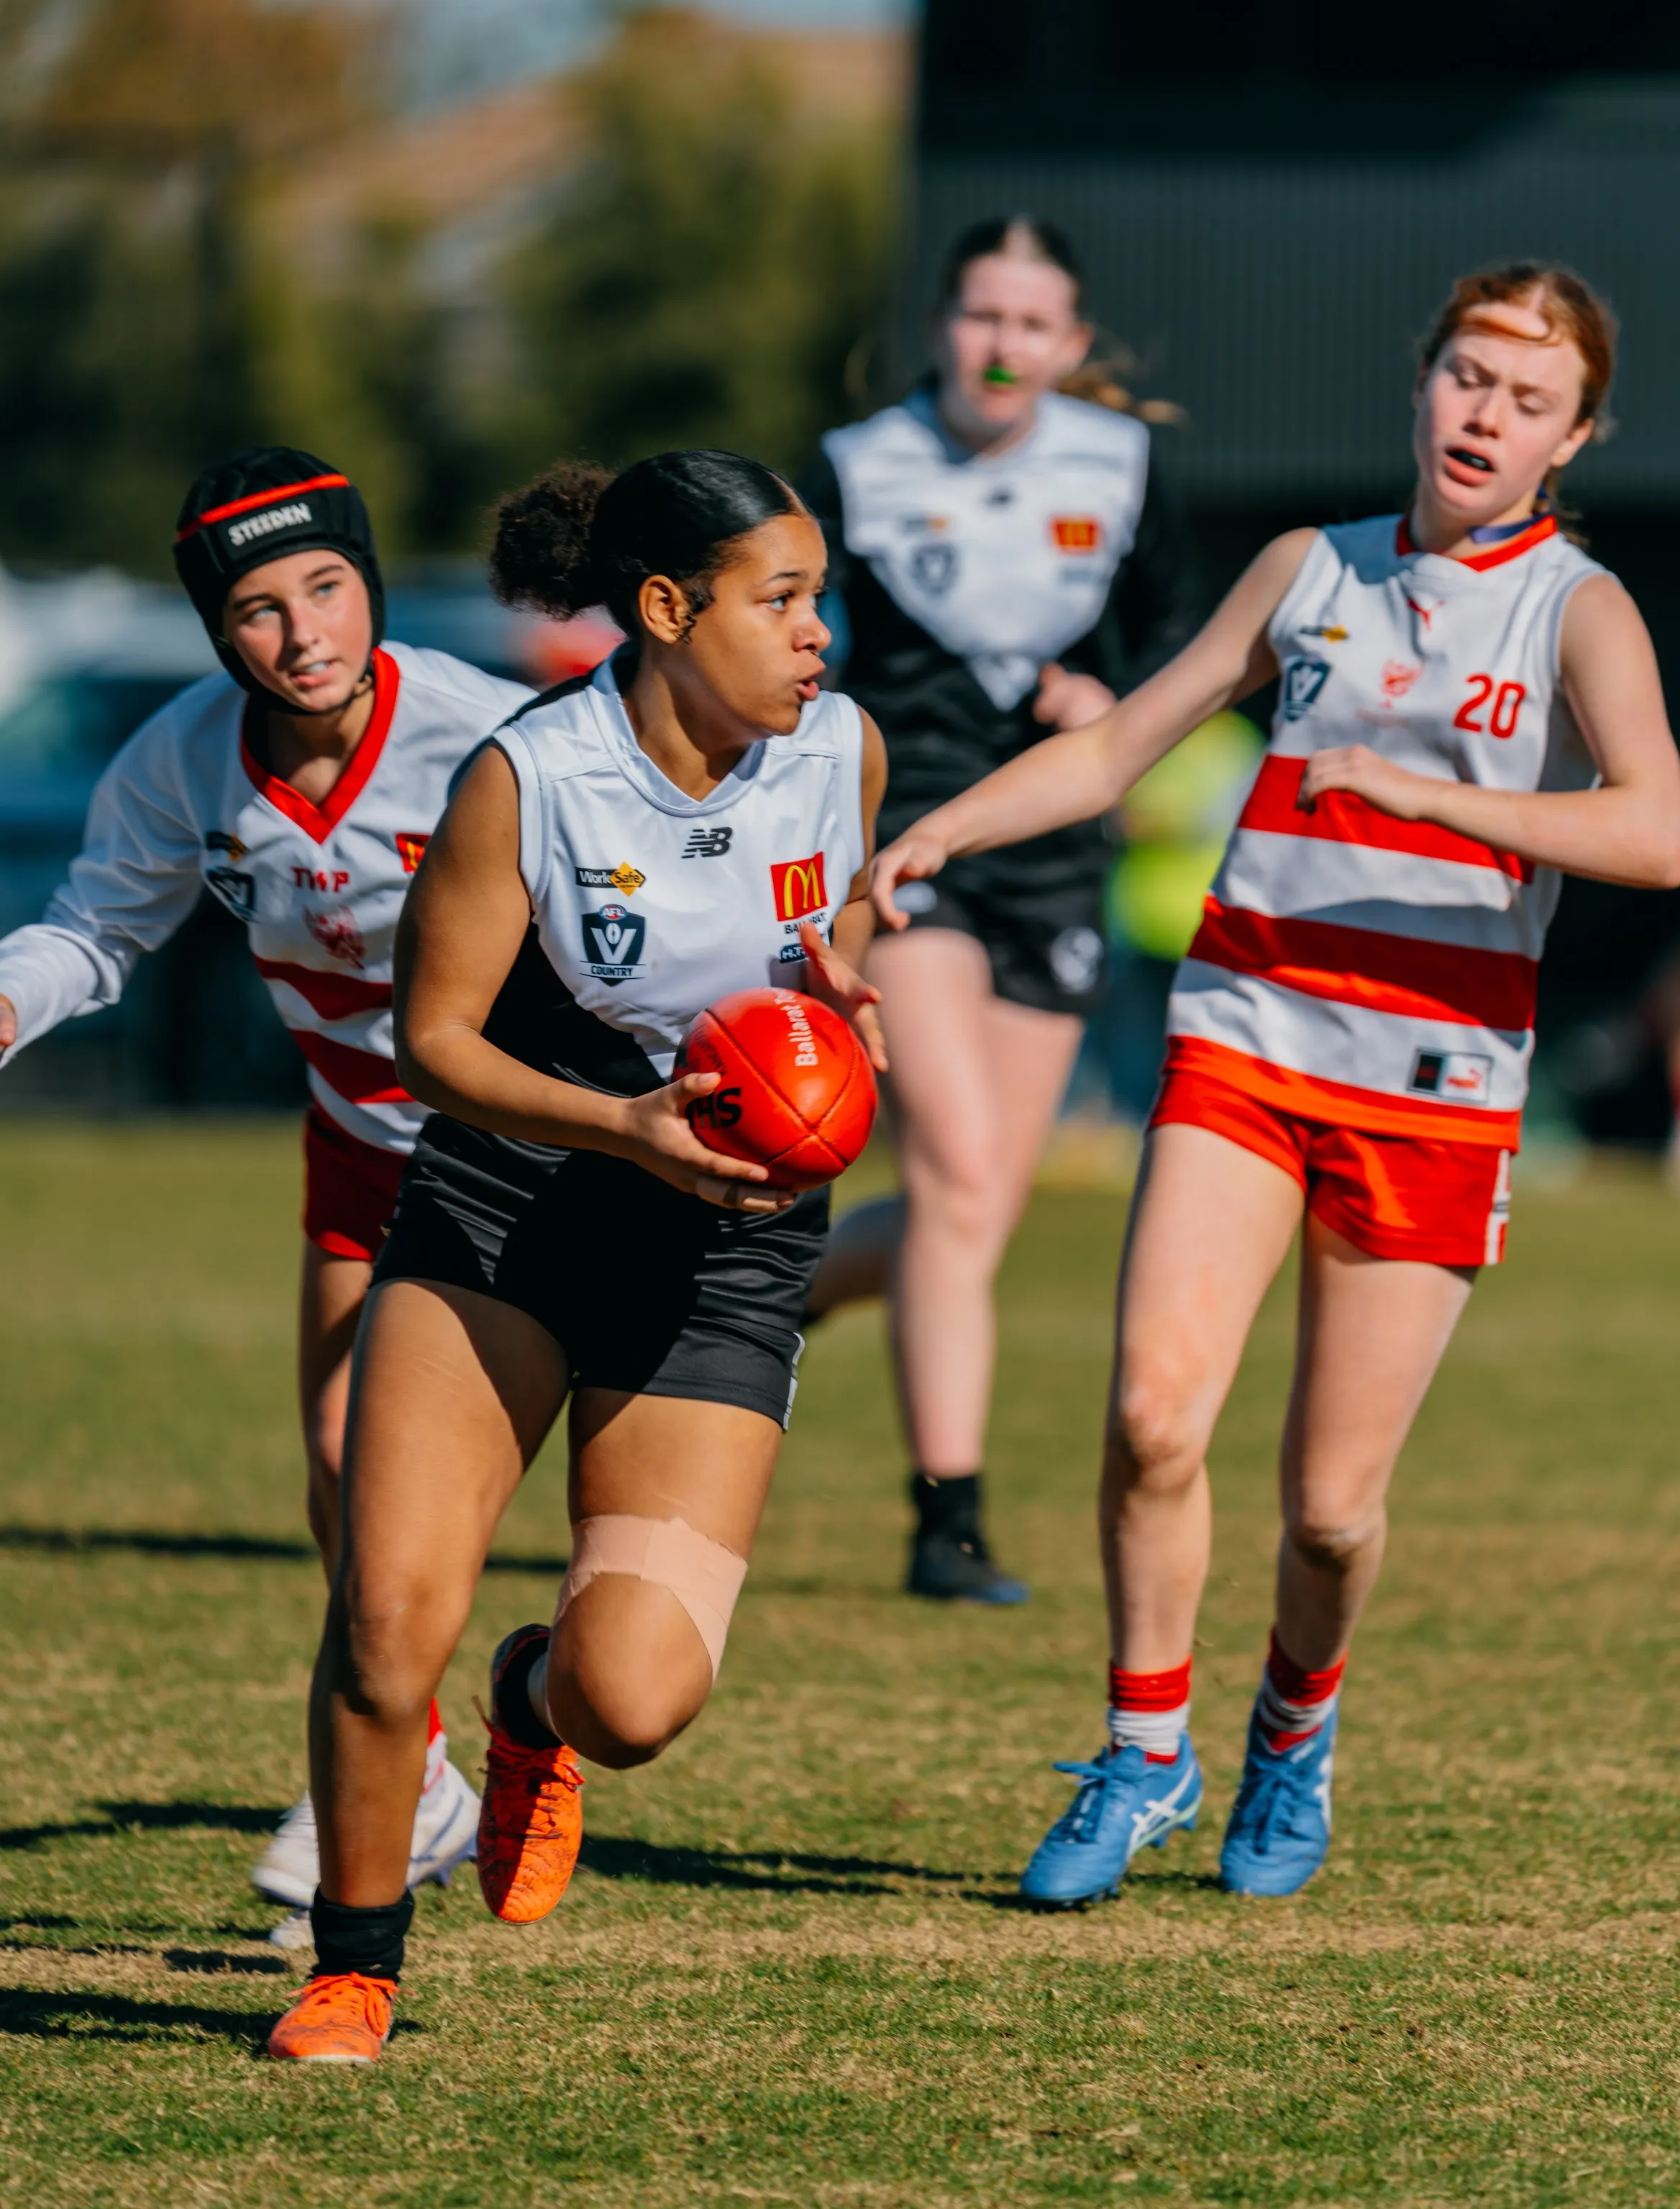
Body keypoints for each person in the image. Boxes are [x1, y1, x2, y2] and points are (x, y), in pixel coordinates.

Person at [869, 263, 1680, 1903]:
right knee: (1155, 1415)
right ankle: (1141, 1751)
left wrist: (1447, 804)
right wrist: (944, 827)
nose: (1483, 415)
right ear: (1421, 382)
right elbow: (1114, 748)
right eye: (1465, 377)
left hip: (1437, 1082)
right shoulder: (1310, 569)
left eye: (1525, 401)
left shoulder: (1577, 609)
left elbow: (1654, 827)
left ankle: (1294, 1731)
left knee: (1326, 1515)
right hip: (1244, 1034)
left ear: (1572, 437)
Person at [265, 449, 886, 2064]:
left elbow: (828, 974)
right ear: (670, 611)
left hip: (723, 1245)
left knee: (636, 1704)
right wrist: (626, 1129)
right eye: (783, 600)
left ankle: (533, 1702)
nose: (819, 633)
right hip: (510, 1210)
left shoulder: (840, 753)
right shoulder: (529, 776)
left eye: (820, 598)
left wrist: (838, 1032)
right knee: (391, 1617)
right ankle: (355, 1960)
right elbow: (433, 1045)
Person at [0, 449, 529, 1930]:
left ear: (367, 580)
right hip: (362, 1143)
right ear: (213, 631)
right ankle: (416, 1768)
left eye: (327, 586)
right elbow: (96, 929)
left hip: (534, 1145)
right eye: (256, 609)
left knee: (551, 1536)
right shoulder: (179, 760)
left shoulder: (494, 735)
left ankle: (521, 1712)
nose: (303, 634)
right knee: (341, 1460)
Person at [800, 214, 1199, 1603]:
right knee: (959, 1176)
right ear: (939, 329)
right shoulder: (858, 471)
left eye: (1034, 325)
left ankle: (758, 1290)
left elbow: (1181, 637)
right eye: (982, 316)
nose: (1005, 346)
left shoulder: (1126, 467)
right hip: (911, 844)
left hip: (1057, 853)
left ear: (1073, 347)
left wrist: (1119, 705)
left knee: (970, 1216)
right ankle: (946, 1521)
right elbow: (785, 639)